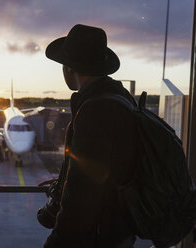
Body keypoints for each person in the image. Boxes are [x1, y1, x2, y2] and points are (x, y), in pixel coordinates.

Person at [42, 24, 140, 247]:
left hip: (98, 235)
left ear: (69, 68)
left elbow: (82, 195)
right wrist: (65, 179)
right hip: (120, 231)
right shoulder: (121, 98)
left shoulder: (96, 110)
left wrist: (56, 242)